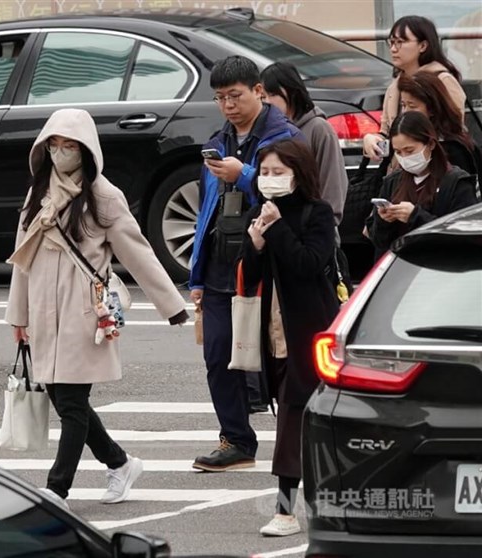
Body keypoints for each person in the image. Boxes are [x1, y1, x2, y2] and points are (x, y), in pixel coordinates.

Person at [5, 108, 188, 509]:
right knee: (66, 400)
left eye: (69, 146)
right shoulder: (39, 192)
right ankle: (120, 463)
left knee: (70, 404)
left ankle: (57, 489)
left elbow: (137, 251)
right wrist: (18, 316)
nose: (60, 154)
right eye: (53, 145)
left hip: (84, 313)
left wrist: (171, 305)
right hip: (43, 312)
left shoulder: (104, 196)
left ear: (86, 150)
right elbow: (23, 258)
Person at [189, 56, 304, 473]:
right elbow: (207, 211)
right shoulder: (218, 141)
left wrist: (244, 175)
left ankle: (299, 443)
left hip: (270, 263)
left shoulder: (287, 137)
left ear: (258, 91)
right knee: (218, 356)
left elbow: (295, 199)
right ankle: (236, 439)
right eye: (220, 98)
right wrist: (196, 273)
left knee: (280, 361)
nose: (227, 106)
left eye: (234, 96)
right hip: (223, 263)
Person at [240, 139, 339, 537]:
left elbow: (308, 264)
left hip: (310, 332)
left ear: (298, 174)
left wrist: (276, 228)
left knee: (298, 417)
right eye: (264, 172)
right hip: (273, 331)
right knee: (292, 415)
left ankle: (286, 511)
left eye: (278, 172)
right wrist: (257, 243)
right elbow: (250, 272)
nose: (269, 180)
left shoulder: (317, 214)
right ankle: (310, 506)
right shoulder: (260, 213)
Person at [367, 111, 478, 255]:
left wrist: (415, 216)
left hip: (440, 268)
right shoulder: (393, 182)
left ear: (430, 144)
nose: (404, 157)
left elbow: (465, 237)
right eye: (398, 152)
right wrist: (383, 221)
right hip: (400, 267)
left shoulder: (456, 182)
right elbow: (379, 241)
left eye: (410, 150)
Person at [362, 15, 466, 161]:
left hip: (437, 167)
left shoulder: (443, 80)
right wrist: (372, 139)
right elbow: (387, 131)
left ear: (423, 46)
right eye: (391, 42)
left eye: (400, 42)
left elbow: (454, 130)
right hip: (399, 173)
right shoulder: (395, 86)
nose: (393, 49)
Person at [260, 62, 348, 230]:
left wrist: (324, 224)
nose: (268, 102)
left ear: (292, 92)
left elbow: (332, 182)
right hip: (275, 226)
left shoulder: (319, 129)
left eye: (272, 94)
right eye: (263, 97)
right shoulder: (268, 130)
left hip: (314, 230)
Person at [397, 71, 481, 182]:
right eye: (403, 105)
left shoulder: (454, 149)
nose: (406, 112)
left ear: (432, 109)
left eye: (412, 106)